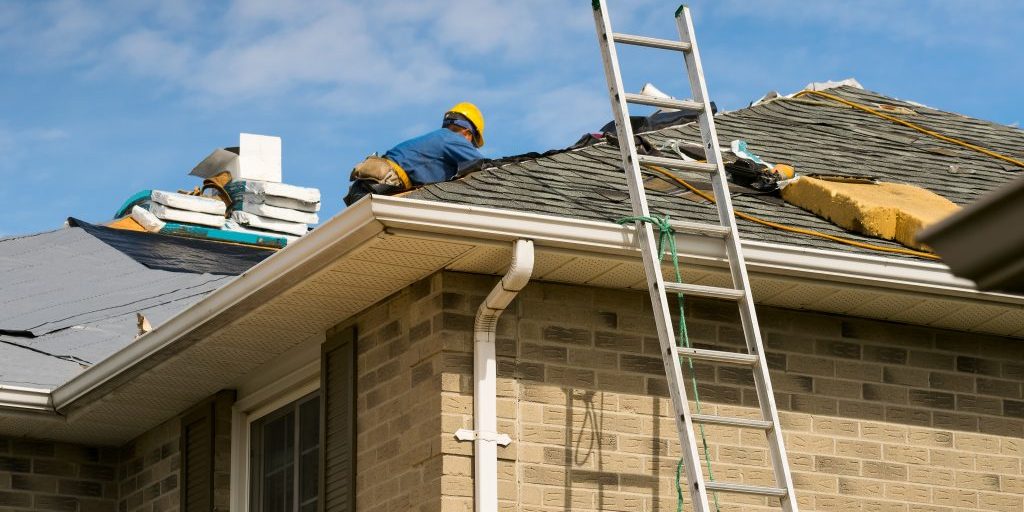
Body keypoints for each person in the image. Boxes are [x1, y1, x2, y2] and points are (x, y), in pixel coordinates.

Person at [343, 102, 485, 205]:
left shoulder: (438, 139)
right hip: (383, 184)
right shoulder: (452, 138)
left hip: (363, 189)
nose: (469, 148)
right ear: (467, 134)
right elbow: (482, 166)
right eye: (472, 144)